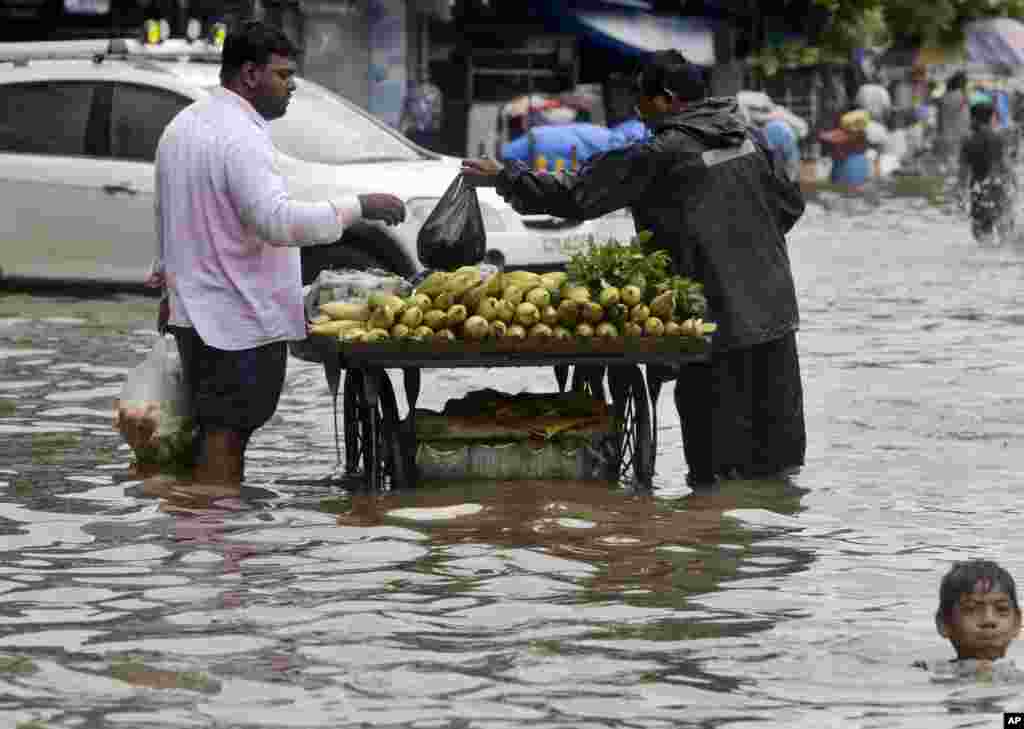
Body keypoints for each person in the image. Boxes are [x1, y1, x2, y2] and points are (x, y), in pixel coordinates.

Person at [461, 50, 807, 487]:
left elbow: (579, 195)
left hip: (714, 324)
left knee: (717, 474)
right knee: (778, 466)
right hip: (776, 316)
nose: (637, 110)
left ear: (665, 100)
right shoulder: (751, 138)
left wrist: (505, 177)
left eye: (640, 99)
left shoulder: (663, 152)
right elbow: (790, 206)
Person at [145, 20, 406, 487]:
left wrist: (167, 281)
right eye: (283, 76)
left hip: (195, 313)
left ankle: (209, 540)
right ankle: (219, 530)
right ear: (249, 74)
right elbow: (277, 222)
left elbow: (167, 218)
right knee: (227, 430)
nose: (292, 87)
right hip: (235, 318)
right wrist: (359, 206)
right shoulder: (240, 136)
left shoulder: (180, 127)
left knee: (214, 429)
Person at [914, 560, 1023, 681]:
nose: (989, 620)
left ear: (1017, 623)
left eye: (1001, 609)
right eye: (971, 609)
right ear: (944, 623)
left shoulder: (1016, 676)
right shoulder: (926, 670)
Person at [958, 99, 1016, 245]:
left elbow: (963, 171)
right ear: (991, 118)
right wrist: (1015, 184)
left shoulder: (968, 141)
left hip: (979, 189)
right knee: (1006, 233)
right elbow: (1006, 164)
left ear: (973, 118)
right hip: (998, 188)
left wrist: (961, 194)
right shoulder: (999, 138)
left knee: (983, 236)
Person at [936, 71, 971, 173]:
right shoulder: (962, 97)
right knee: (956, 163)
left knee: (948, 162)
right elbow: (966, 119)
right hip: (959, 135)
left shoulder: (944, 97)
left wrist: (939, 132)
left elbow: (939, 118)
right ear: (961, 83)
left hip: (946, 134)